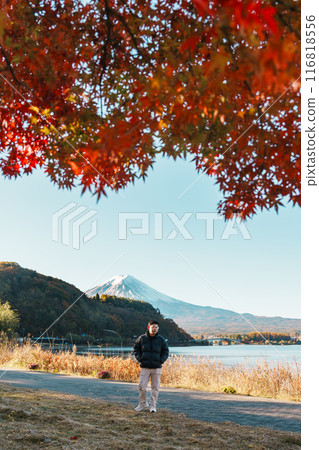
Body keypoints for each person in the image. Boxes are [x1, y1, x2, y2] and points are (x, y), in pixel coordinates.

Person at [133, 320, 169, 413]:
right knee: (141, 386)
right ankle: (142, 404)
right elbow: (136, 348)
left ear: (158, 329)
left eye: (156, 327)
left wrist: (161, 360)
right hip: (145, 367)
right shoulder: (142, 338)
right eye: (153, 327)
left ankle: (153, 406)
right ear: (148, 327)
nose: (154, 329)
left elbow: (166, 351)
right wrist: (140, 358)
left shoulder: (161, 339)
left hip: (156, 367)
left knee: (155, 387)